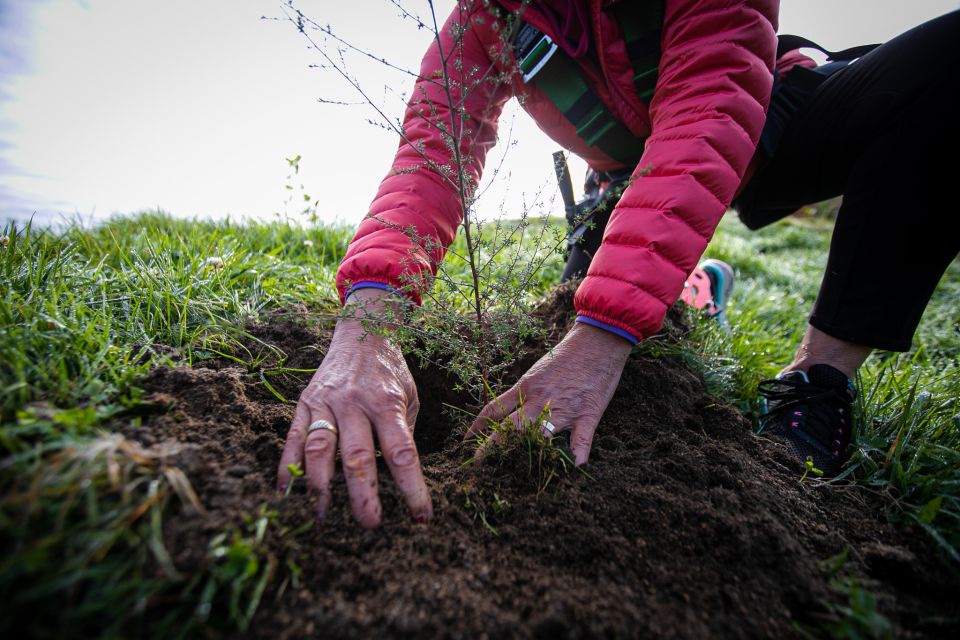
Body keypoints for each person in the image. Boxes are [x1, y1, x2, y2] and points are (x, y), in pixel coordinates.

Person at [277, 1, 960, 527]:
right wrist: (367, 326)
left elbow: (709, 108)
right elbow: (431, 153)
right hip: (623, 171)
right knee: (588, 327)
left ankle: (818, 378)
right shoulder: (486, 18)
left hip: (769, 111)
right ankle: (692, 294)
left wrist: (605, 329)